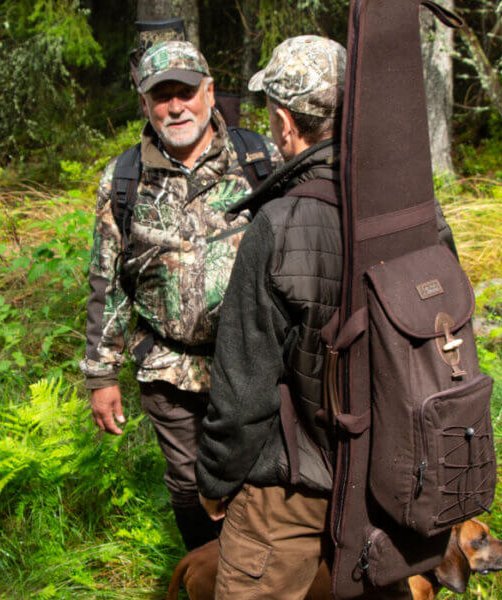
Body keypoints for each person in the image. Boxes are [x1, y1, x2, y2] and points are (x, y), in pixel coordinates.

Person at [79, 40, 280, 552]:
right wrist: (102, 373)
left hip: (253, 364)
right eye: (161, 95)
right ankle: (206, 569)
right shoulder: (123, 179)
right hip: (168, 369)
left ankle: (262, 574)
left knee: (262, 478)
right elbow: (107, 280)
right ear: (145, 104)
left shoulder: (260, 157)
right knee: (190, 486)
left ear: (209, 93)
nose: (175, 106)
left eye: (185, 92)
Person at [196, 35, 348, 600]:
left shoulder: (278, 224)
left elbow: (243, 390)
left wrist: (214, 479)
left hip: (286, 497)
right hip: (389, 480)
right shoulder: (416, 212)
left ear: (284, 122)